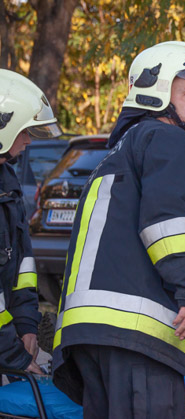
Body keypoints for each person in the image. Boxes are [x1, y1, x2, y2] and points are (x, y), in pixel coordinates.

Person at [52, 41, 185, 417]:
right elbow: (168, 223)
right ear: (157, 93)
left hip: (90, 334)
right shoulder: (167, 138)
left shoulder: (121, 148)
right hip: (137, 337)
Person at [0, 70, 61, 376]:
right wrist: (14, 356)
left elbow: (22, 262)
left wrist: (26, 324)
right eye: (23, 131)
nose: (27, 140)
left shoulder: (7, 182)